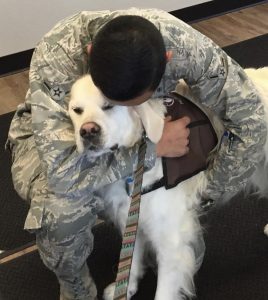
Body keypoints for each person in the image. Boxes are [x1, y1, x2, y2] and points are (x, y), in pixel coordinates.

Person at [7, 8, 266, 300]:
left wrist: (204, 194)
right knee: (60, 210)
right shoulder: (57, 58)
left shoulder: (187, 49)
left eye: (128, 101)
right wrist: (152, 151)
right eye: (113, 98)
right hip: (52, 137)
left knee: (175, 239)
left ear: (167, 62)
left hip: (148, 131)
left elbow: (253, 123)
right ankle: (75, 289)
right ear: (91, 55)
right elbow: (61, 174)